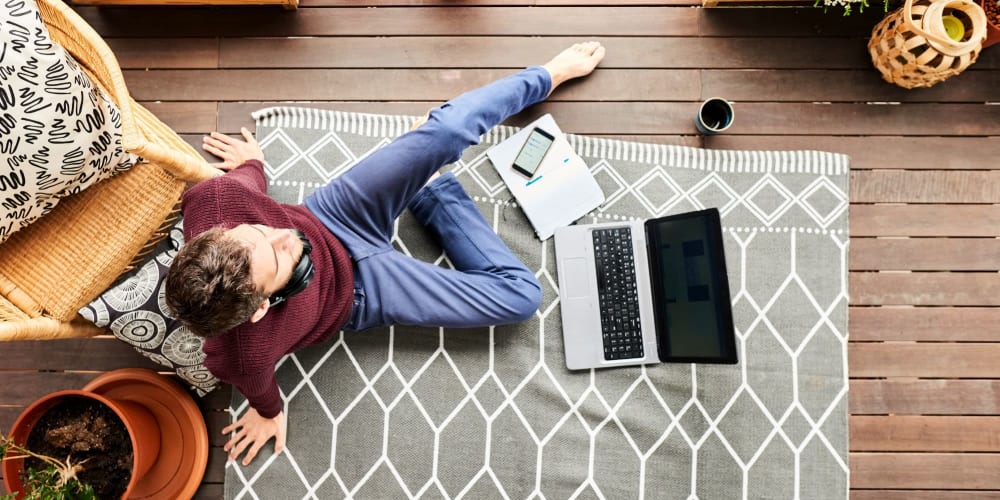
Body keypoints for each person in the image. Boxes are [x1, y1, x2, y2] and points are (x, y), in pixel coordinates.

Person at [164, 41, 607, 466]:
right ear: (261, 307)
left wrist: (252, 165)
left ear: (224, 229)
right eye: (279, 259)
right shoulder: (240, 353)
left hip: (334, 214)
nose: (283, 236)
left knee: (448, 130)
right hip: (360, 295)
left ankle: (547, 76)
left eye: (258, 231)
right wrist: (267, 412)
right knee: (521, 298)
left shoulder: (216, 200)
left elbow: (248, 186)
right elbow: (258, 386)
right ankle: (433, 194)